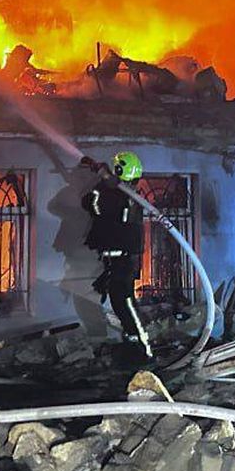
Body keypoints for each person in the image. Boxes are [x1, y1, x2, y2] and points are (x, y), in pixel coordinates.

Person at [80, 151, 151, 360]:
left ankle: (142, 347)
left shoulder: (117, 196)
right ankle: (133, 343)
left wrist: (101, 183)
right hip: (120, 258)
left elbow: (90, 204)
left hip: (123, 259)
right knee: (120, 301)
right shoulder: (128, 194)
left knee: (124, 301)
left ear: (119, 170)